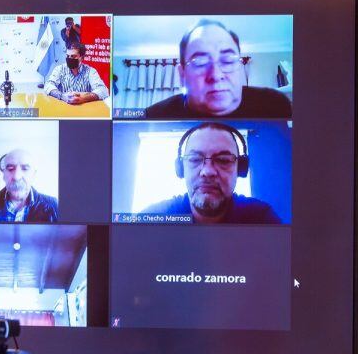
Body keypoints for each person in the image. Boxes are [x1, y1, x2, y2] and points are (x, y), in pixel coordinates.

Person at [145, 20, 292, 119]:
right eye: (200, 62)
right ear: (182, 75)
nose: (216, 75)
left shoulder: (274, 105)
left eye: (228, 60)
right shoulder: (154, 117)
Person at [141, 122, 282, 224]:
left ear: (240, 168)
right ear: (181, 168)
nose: (207, 172)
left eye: (223, 160)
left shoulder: (262, 219)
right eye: (195, 159)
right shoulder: (152, 218)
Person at [0, 149, 58, 222]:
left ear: (33, 175)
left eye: (25, 169)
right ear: (4, 175)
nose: (17, 177)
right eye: (10, 169)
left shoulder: (54, 205)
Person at [45, 42, 109, 105]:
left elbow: (103, 90)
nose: (69, 58)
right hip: (63, 108)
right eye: (68, 56)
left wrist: (83, 98)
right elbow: (48, 85)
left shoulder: (90, 71)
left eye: (73, 56)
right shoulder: (59, 69)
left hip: (83, 111)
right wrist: (62, 96)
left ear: (82, 57)